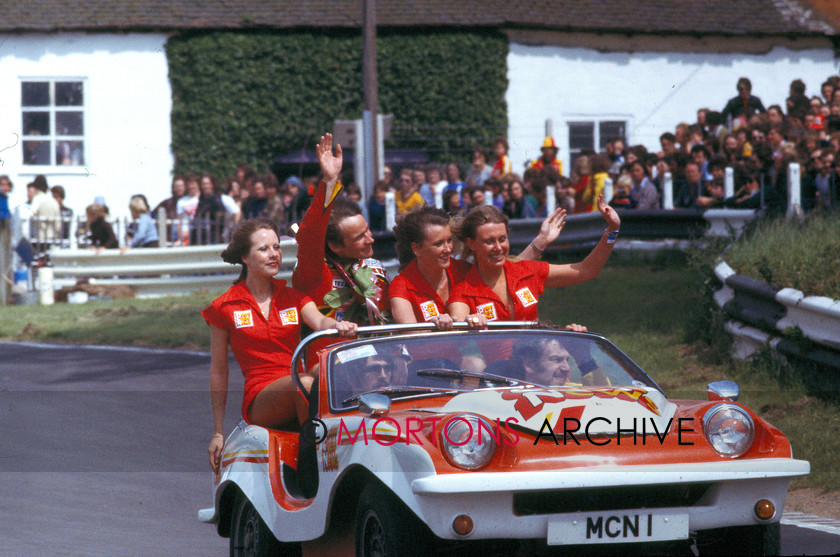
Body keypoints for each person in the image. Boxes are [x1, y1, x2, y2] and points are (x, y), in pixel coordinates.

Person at [204, 218, 356, 473]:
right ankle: (312, 473)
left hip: (297, 379)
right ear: (245, 257)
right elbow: (219, 371)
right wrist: (218, 433)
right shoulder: (224, 307)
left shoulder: (294, 297)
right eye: (264, 249)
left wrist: (337, 325)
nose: (274, 254)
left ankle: (353, 448)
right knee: (306, 383)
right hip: (261, 394)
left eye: (277, 247)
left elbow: (319, 320)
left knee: (331, 369)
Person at [389, 206, 566, 328]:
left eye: (449, 241)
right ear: (416, 248)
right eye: (438, 244)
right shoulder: (400, 285)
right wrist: (438, 328)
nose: (448, 249)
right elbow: (411, 334)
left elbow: (507, 270)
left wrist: (540, 242)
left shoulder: (460, 269)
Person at [447, 200, 619, 323]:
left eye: (502, 239)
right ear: (471, 243)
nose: (498, 248)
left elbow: (587, 270)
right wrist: (469, 321)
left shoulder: (527, 271)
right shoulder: (463, 291)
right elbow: (458, 328)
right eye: (489, 241)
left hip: (537, 363)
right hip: (497, 371)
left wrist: (612, 231)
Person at [291, 133, 389, 329]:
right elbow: (310, 235)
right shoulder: (315, 272)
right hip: (327, 357)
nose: (370, 239)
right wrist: (329, 181)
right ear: (335, 245)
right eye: (360, 237)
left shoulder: (375, 267)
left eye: (367, 231)